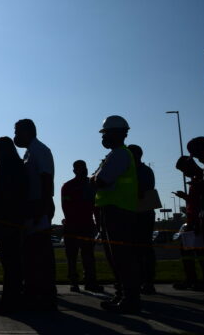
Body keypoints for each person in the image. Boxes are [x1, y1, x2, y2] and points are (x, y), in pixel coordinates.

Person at [92, 115, 140, 314]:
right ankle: (122, 294)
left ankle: (129, 298)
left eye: (107, 133)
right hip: (114, 210)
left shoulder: (120, 154)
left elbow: (100, 181)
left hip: (118, 211)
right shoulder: (115, 155)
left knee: (122, 257)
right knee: (116, 257)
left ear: (118, 133)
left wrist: (94, 179)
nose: (104, 137)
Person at [14, 119, 57, 310]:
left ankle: (46, 295)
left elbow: (46, 179)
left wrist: (44, 206)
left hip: (38, 205)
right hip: (30, 206)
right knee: (30, 254)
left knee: (41, 253)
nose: (15, 135)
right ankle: (34, 292)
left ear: (27, 132)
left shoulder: (40, 150)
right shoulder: (29, 152)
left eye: (17, 131)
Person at [0, 138, 29, 315]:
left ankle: (10, 302)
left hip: (6, 220)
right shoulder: (16, 164)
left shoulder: (7, 167)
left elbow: (4, 194)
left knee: (10, 263)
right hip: (11, 218)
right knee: (13, 263)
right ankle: (14, 299)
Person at [60, 160, 103, 293]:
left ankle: (89, 281)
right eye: (79, 168)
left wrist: (98, 222)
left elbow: (96, 205)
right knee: (73, 256)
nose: (82, 170)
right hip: (74, 225)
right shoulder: (68, 186)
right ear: (74, 171)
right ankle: (75, 282)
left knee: (87, 255)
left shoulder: (90, 185)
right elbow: (66, 206)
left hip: (85, 224)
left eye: (83, 168)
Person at [173, 156, 204, 289]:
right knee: (186, 252)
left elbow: (202, 202)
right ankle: (191, 278)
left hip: (198, 221)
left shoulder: (203, 180)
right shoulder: (195, 180)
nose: (184, 174)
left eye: (184, 170)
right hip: (191, 220)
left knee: (202, 253)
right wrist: (186, 197)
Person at [127, 144, 158, 295]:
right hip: (132, 213)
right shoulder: (130, 171)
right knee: (134, 250)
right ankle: (139, 279)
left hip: (143, 213)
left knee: (145, 248)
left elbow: (143, 190)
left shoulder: (144, 171)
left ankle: (148, 281)